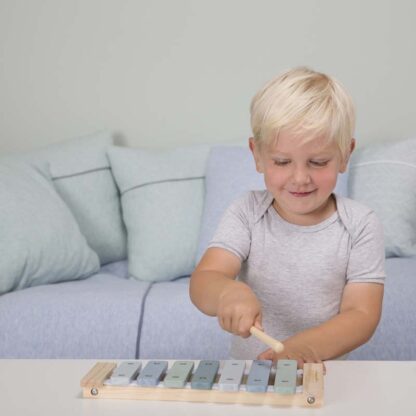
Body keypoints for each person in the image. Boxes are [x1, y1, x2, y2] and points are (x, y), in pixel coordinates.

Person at [189, 67, 385, 367]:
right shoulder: (247, 212)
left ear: (345, 154)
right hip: (251, 375)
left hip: (322, 378)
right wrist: (227, 291)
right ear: (257, 155)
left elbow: (362, 315)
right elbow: (204, 280)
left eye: (318, 162)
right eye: (282, 161)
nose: (300, 178)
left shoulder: (360, 225)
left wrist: (305, 348)